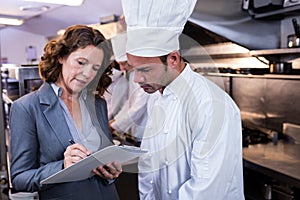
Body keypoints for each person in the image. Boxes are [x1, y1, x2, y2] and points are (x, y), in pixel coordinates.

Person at [121, 0, 245, 199]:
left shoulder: (212, 105)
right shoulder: (156, 94)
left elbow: (207, 190)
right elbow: (149, 165)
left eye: (145, 70)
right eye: (133, 69)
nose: (137, 79)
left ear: (173, 59)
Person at [9, 25, 122, 200]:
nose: (87, 74)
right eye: (81, 62)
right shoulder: (27, 108)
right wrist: (62, 166)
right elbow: (19, 179)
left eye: (95, 68)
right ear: (61, 57)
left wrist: (111, 168)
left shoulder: (98, 104)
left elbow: (104, 155)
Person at [109, 32, 149, 146]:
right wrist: (115, 121)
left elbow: (138, 106)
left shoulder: (145, 74)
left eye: (124, 63)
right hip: (134, 132)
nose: (122, 68)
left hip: (145, 132)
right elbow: (130, 102)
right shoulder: (132, 74)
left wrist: (115, 125)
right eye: (119, 64)